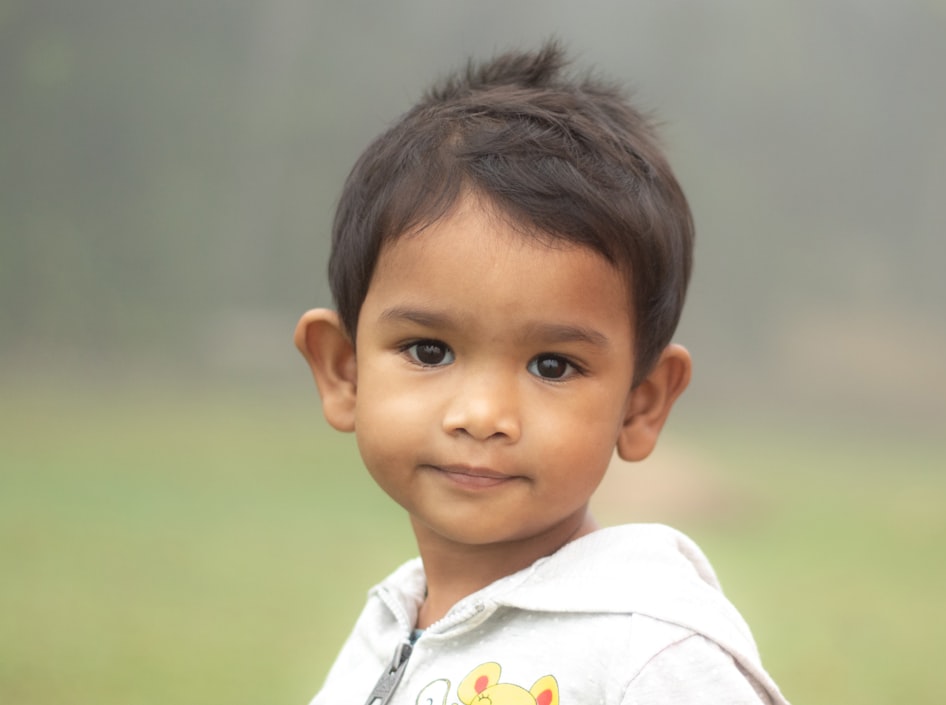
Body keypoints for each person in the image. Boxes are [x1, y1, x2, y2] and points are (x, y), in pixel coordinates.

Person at [295, 41, 790, 705]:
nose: (482, 414)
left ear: (641, 405)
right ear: (343, 370)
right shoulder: (390, 627)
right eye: (430, 350)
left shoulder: (649, 658)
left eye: (552, 364)